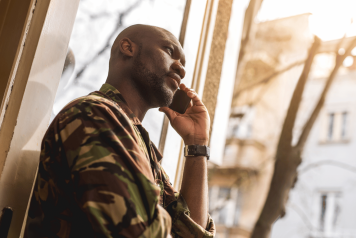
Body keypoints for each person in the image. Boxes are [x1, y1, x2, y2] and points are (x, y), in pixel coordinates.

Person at [24, 24, 215, 238]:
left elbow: (191, 233)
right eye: (170, 52)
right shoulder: (94, 115)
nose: (181, 69)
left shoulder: (141, 147)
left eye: (183, 63)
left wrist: (197, 143)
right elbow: (139, 233)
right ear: (127, 47)